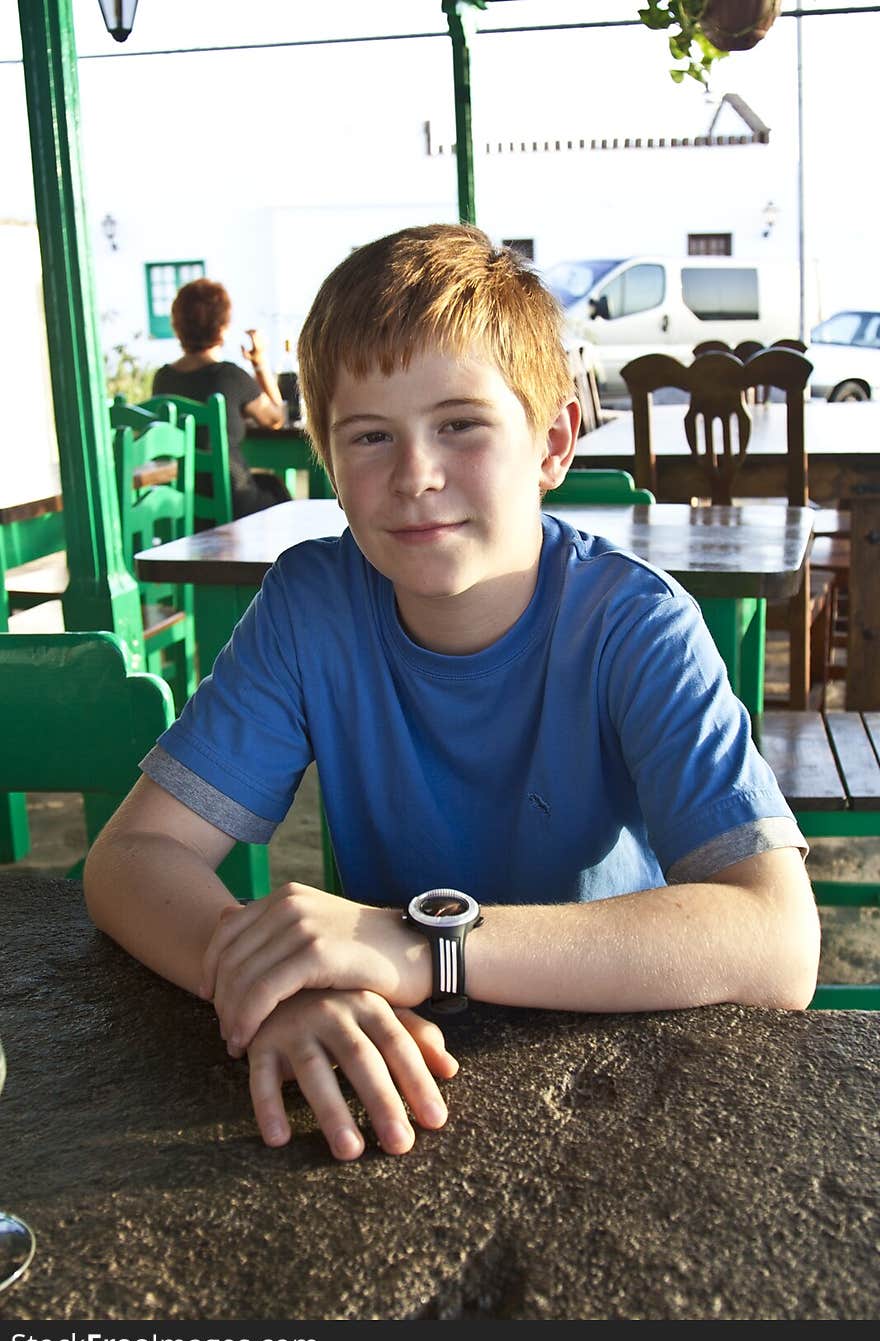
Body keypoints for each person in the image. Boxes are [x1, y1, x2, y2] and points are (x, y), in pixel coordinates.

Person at [84, 224, 820, 1164]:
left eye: (461, 424)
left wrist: (422, 947)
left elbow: (777, 938)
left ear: (551, 441)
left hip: (607, 1075)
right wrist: (274, 978)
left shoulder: (635, 626)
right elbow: (133, 855)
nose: (416, 476)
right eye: (370, 436)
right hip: (387, 1071)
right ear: (329, 462)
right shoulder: (313, 606)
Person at [151, 277, 291, 518]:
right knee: (276, 492)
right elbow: (276, 419)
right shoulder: (229, 377)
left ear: (177, 325)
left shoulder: (162, 379)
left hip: (182, 505)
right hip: (233, 503)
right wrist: (260, 364)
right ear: (222, 326)